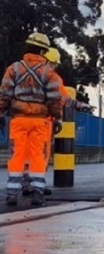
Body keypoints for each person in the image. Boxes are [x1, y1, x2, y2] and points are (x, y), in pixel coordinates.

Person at [21, 47, 94, 196]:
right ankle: (36, 186)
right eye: (54, 64)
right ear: (47, 61)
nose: (54, 67)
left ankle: (26, 184)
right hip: (42, 123)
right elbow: (64, 99)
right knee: (40, 155)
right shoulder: (53, 79)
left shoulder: (26, 73)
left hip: (23, 120)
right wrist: (80, 106)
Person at [0, 32, 63, 206]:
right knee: (37, 156)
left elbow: (4, 94)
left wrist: (0, 113)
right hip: (40, 121)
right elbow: (55, 100)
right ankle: (37, 192)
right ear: (43, 52)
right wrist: (57, 118)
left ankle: (12, 192)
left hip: (18, 120)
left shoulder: (14, 69)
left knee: (17, 155)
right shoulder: (49, 73)